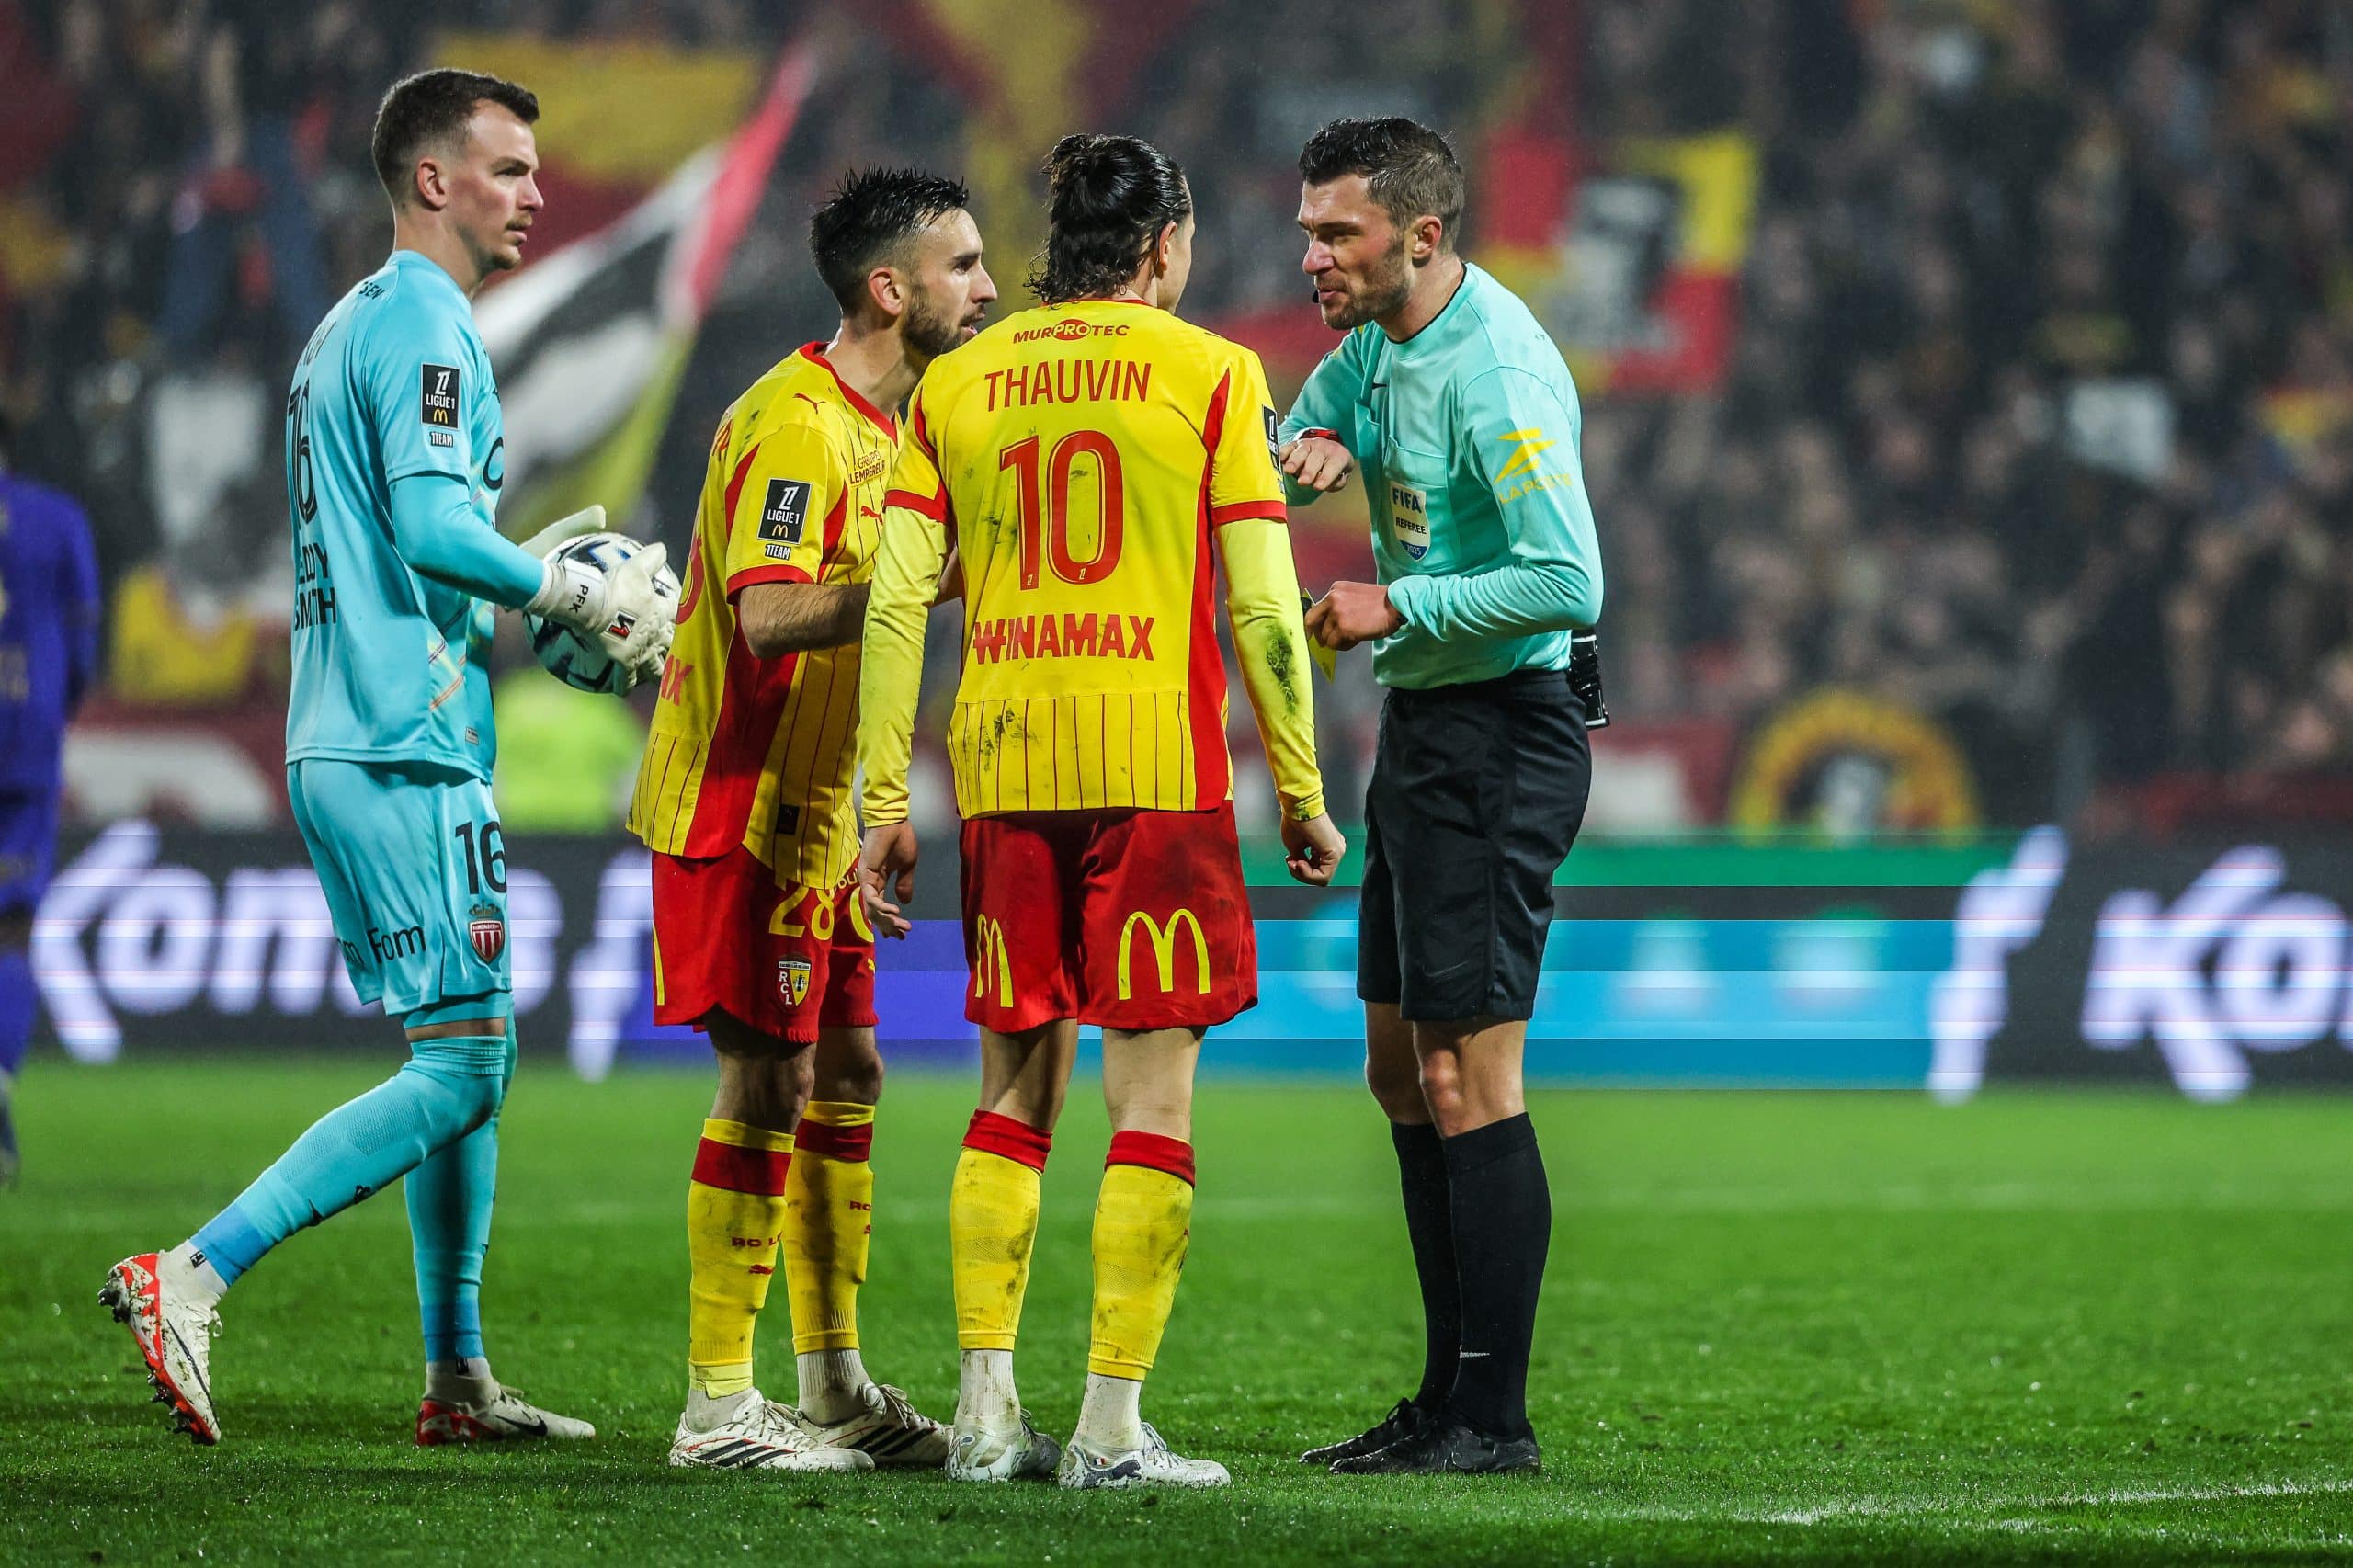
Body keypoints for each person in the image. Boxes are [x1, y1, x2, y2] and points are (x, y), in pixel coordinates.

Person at [101, 68, 675, 1449]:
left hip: (366, 724)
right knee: (469, 1064)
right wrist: (562, 588)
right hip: (393, 731)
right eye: (512, 168)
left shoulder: (344, 325)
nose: (538, 191)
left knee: (459, 1043)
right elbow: (428, 527)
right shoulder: (425, 320)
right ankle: (193, 1268)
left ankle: (457, 1374)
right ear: (434, 181)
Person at [857, 132, 1347, 1490]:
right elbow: (1258, 601)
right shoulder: (1213, 373)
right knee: (1154, 1102)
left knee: (1011, 1094)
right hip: (1156, 774)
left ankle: (987, 1416)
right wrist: (1302, 789)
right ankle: (1111, 1432)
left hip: (1006, 773)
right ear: (1165, 246)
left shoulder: (957, 382)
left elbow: (898, 601)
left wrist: (884, 799)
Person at [628, 166, 996, 1474]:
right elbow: (767, 613)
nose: (989, 286)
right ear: (891, 289)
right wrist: (909, 588)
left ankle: (831, 1384)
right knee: (768, 1080)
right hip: (744, 804)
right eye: (963, 264)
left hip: (824, 811)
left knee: (849, 1073)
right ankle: (716, 1408)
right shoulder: (797, 423)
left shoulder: (908, 432)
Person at [1280, 117, 1604, 1475]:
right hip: (1424, 727)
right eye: (1307, 230)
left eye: (1336, 233)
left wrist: (1390, 597)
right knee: (1400, 1069)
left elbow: (1566, 584)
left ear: (1421, 236)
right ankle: (1440, 1395)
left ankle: (1495, 1414)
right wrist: (1317, 438)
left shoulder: (1502, 374)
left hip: (1503, 731)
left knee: (1471, 1072)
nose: (1312, 256)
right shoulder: (1377, 344)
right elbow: (1312, 410)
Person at [0, 414, 102, 1185]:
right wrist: (52, 713)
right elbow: (84, 643)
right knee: (11, 929)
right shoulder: (55, 517)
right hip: (24, 745)